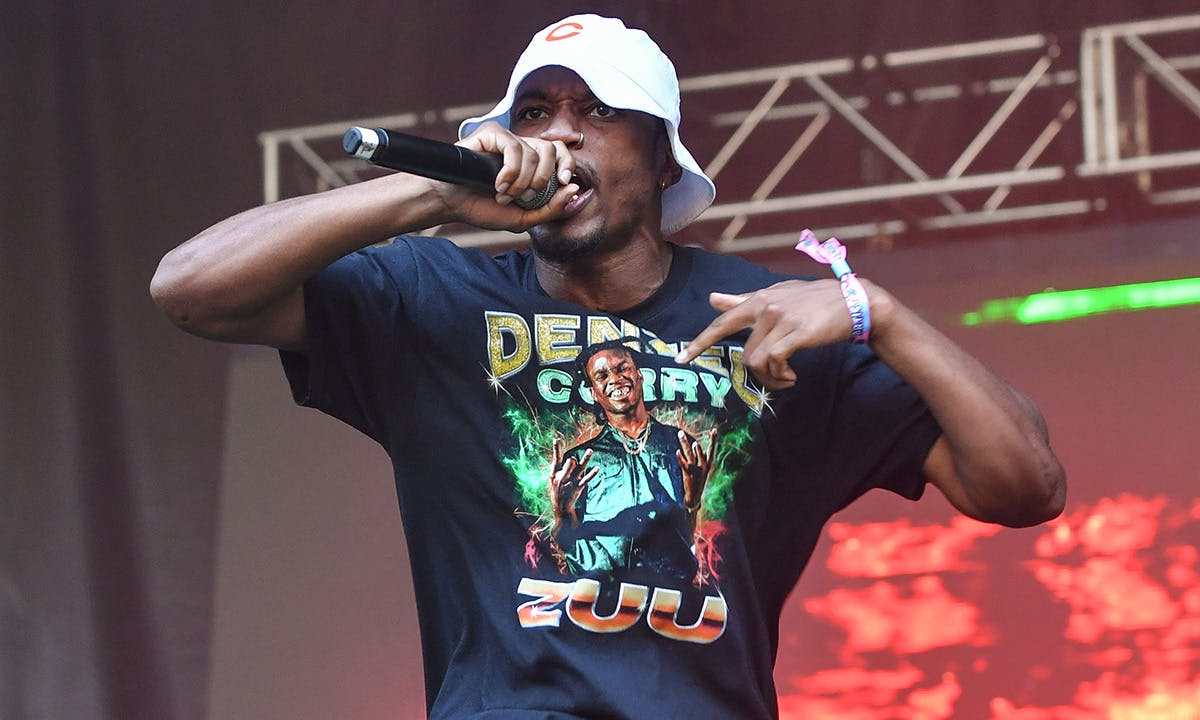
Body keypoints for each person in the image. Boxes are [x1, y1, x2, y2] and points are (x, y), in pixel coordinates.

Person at [151, 13, 1065, 719]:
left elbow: (1025, 485)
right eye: (539, 113)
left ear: (664, 158)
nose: (564, 134)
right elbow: (189, 289)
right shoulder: (434, 299)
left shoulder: (767, 320)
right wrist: (432, 191)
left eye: (597, 112)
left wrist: (880, 313)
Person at [541, 339, 716, 587]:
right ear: (593, 392)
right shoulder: (578, 461)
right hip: (600, 598)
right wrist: (562, 513)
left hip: (671, 595)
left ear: (639, 375)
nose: (615, 378)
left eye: (622, 368)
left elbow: (685, 536)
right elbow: (566, 540)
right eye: (602, 375)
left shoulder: (679, 444)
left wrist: (692, 503)